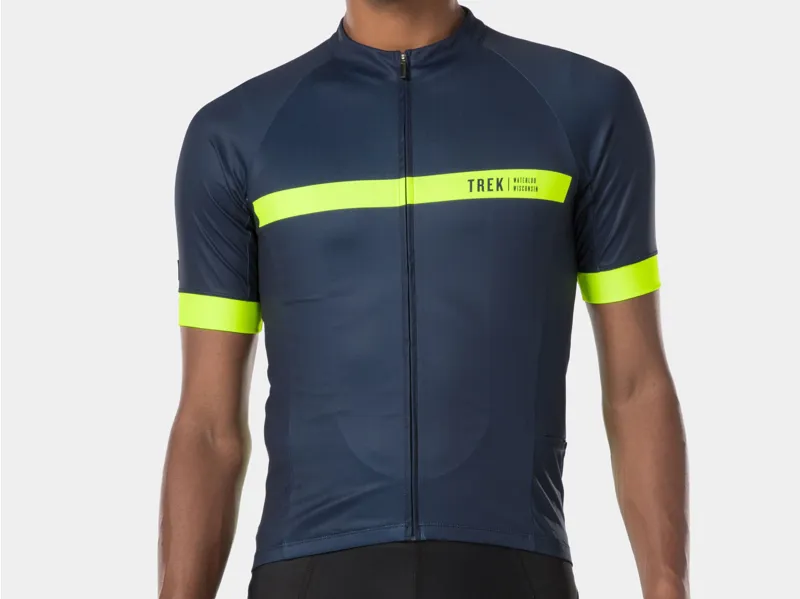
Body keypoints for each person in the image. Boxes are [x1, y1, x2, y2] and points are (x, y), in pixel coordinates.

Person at [158, 1, 689, 598]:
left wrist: (666, 585)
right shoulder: (236, 134)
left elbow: (637, 382)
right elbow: (207, 425)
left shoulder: (583, 106)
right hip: (308, 571)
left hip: (514, 569)